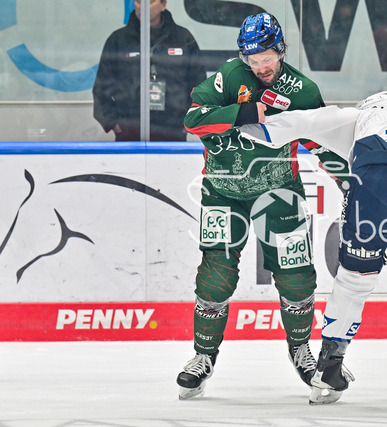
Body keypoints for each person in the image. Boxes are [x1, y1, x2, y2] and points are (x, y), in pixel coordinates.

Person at [237, 91, 387, 407]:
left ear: (371, 105)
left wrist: (239, 123)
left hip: (376, 182)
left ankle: (329, 369)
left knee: (353, 283)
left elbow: (299, 122)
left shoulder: (359, 117)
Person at [175, 12, 348, 400]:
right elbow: (193, 120)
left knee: (297, 275)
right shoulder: (228, 76)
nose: (260, 67)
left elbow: (321, 142)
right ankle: (203, 356)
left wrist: (348, 181)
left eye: (266, 58)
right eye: (252, 60)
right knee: (215, 274)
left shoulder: (302, 91)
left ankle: (301, 350)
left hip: (279, 191)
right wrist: (243, 112)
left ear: (281, 50)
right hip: (223, 190)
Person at [92, 0, 205, 141]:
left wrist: (189, 122)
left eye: (150, 2)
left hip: (172, 132)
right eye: (139, 2)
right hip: (129, 133)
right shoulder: (118, 40)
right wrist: (113, 123)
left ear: (163, 4)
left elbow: (199, 84)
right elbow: (102, 87)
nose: (143, 6)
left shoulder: (182, 39)